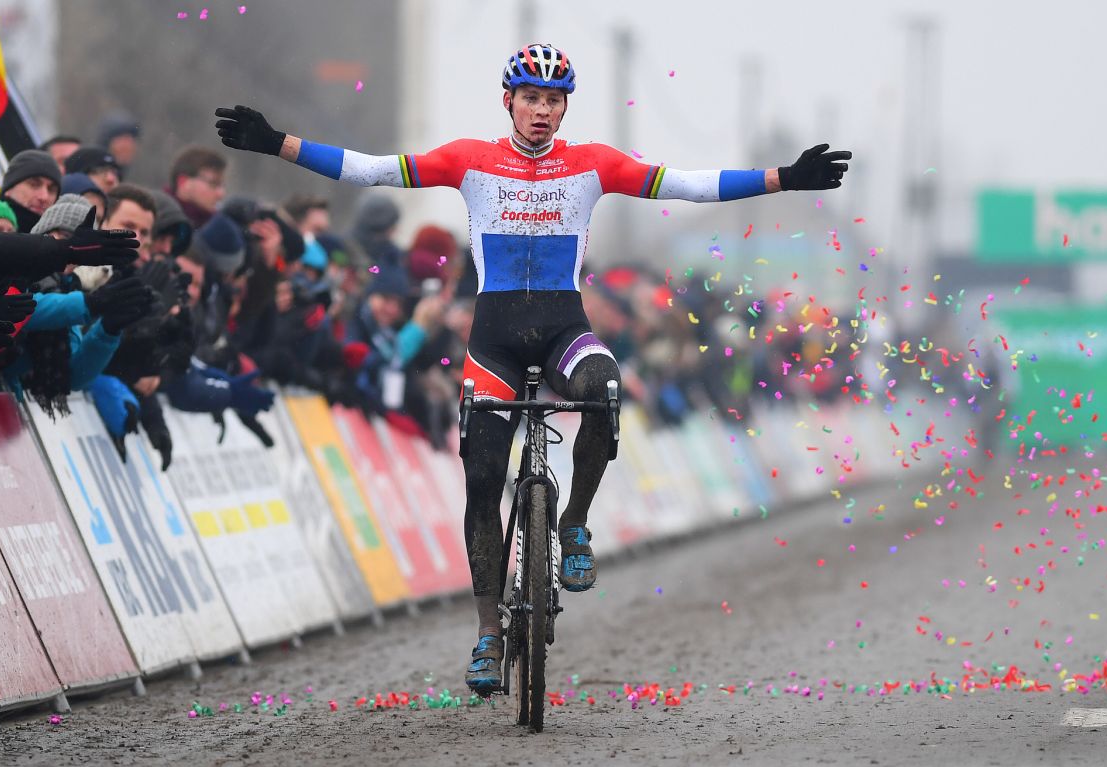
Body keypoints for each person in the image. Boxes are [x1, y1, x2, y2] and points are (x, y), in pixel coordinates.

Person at [215, 42, 851, 693]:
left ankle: (573, 522)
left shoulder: (593, 165)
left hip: (562, 332)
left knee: (604, 390)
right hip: (493, 342)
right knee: (483, 479)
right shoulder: (470, 160)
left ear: (564, 107)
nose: (542, 111)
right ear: (509, 102)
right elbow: (374, 170)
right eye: (531, 99)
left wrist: (783, 178)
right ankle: (489, 631)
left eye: (553, 100)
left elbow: (686, 184)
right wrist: (278, 144)